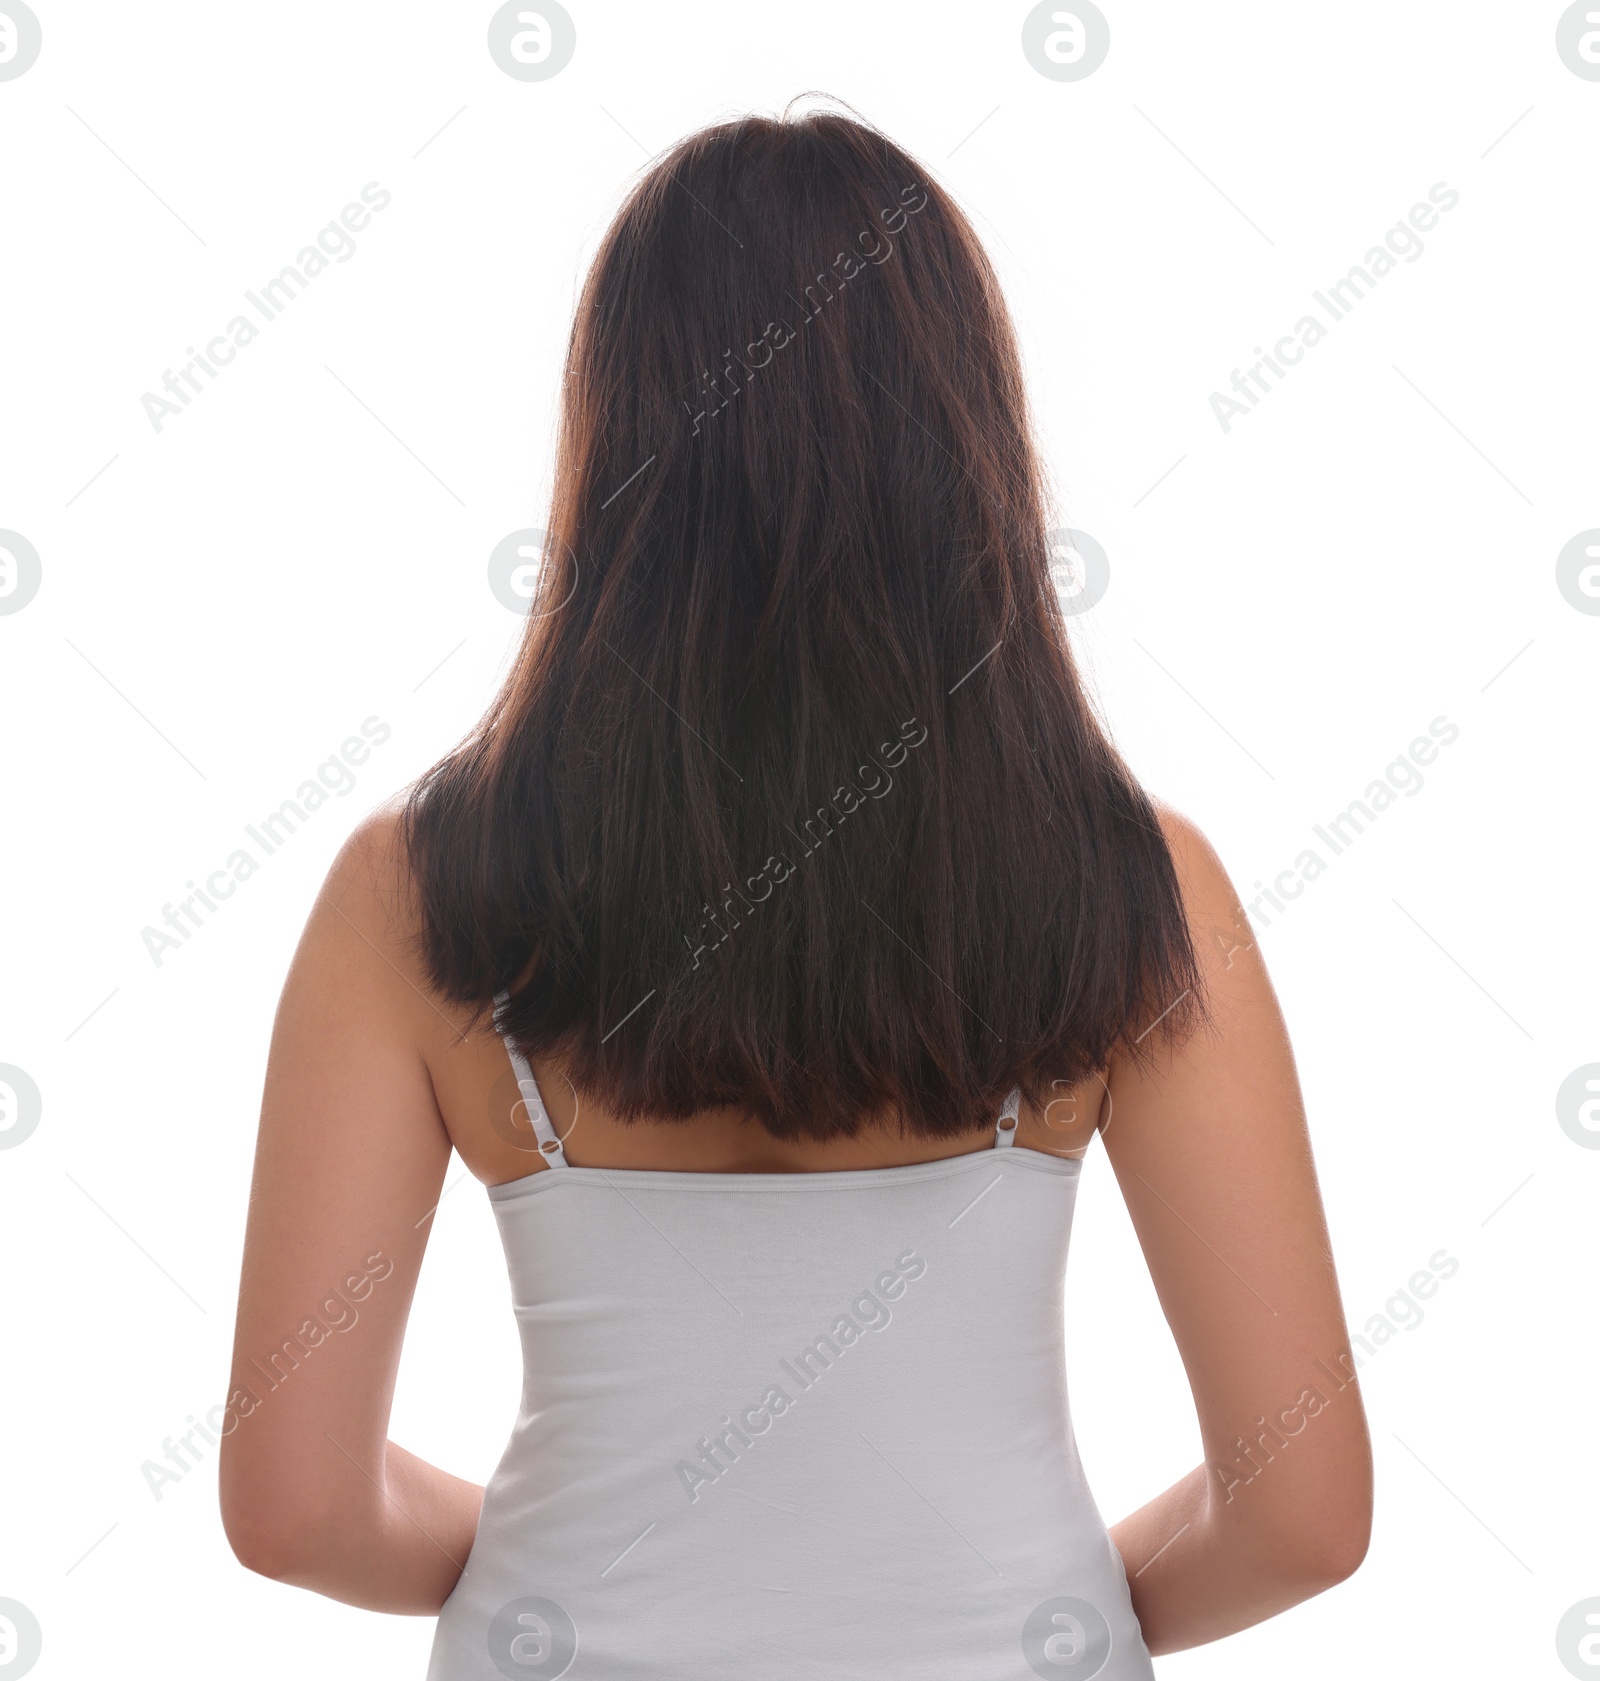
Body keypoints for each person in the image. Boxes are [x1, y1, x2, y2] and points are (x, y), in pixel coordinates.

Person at [219, 107, 1372, 1677]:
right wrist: (1029, 1603)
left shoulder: (409, 894)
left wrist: (555, 1568)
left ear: (615, 442)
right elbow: (1304, 1510)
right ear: (966, 447)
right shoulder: (1136, 884)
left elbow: (292, 1509)